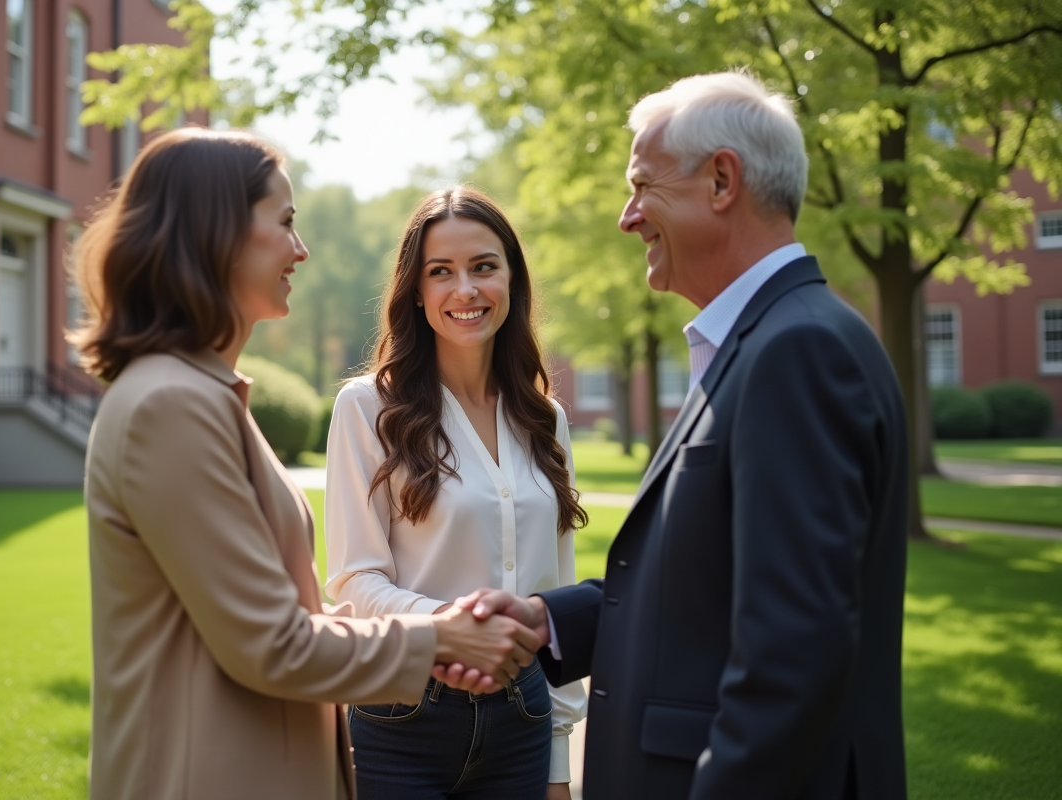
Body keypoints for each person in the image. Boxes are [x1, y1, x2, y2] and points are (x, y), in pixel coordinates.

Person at [457, 71, 909, 799]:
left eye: (642, 185)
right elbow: (710, 583)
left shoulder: (797, 353)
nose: (627, 217)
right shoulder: (766, 341)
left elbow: (792, 654)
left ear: (722, 181)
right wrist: (550, 621)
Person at [74, 128, 541, 800]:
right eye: (286, 222)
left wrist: (444, 635)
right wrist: (442, 635)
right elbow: (273, 644)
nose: (301, 249)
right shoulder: (170, 405)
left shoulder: (203, 396)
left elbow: (284, 612)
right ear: (217, 233)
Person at [324, 187, 589, 800]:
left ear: (512, 280)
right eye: (440, 272)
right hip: (402, 713)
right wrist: (448, 627)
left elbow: (556, 589)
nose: (465, 290)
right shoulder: (368, 408)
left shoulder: (545, 419)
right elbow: (355, 579)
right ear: (415, 291)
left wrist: (558, 760)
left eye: (484, 267)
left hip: (522, 718)